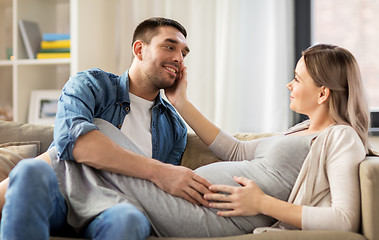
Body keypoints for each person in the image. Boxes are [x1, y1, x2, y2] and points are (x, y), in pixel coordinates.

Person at [50, 43, 371, 237]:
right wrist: (181, 103)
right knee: (91, 141)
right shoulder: (299, 131)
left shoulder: (340, 137)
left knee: (94, 136)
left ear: (323, 93)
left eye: (298, 78)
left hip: (206, 213)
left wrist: (262, 204)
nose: (289, 84)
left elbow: (344, 219)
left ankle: (17, 188)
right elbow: (236, 149)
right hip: (191, 199)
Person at [0, 17, 212, 240]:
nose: (178, 58)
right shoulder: (91, 85)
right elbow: (76, 143)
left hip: (115, 208)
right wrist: (159, 171)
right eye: (169, 47)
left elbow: (161, 194)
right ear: (139, 50)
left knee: (128, 220)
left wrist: (181, 103)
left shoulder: (174, 126)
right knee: (29, 171)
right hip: (60, 194)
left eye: (184, 53)